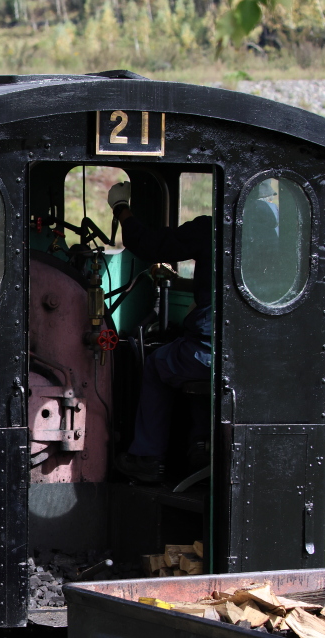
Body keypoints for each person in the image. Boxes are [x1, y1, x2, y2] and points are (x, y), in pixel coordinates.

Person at [107, 181, 213, 483]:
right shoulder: (274, 233)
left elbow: (150, 245)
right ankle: (199, 444)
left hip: (208, 349)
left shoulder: (211, 228)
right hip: (249, 352)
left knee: (160, 364)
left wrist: (121, 208)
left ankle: (147, 457)